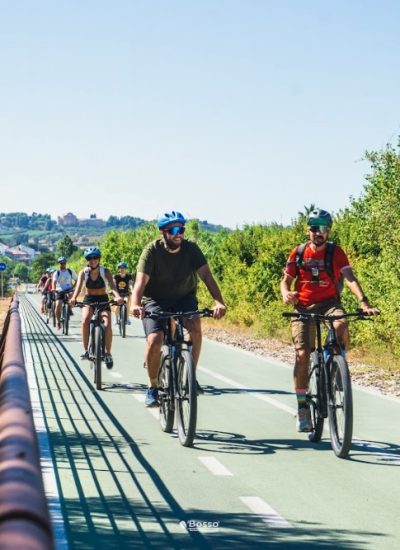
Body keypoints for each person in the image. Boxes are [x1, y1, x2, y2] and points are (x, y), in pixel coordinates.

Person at [280, 208, 380, 432]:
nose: (319, 232)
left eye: (323, 228)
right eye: (314, 228)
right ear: (308, 230)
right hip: (303, 307)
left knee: (341, 323)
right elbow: (285, 281)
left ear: (329, 231)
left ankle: (335, 362)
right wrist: (286, 293)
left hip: (329, 303)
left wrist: (363, 302)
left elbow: (350, 278)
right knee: (303, 354)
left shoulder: (336, 253)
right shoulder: (298, 252)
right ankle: (303, 407)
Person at [131, 210, 227, 407]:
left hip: (184, 297)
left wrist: (218, 301)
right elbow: (141, 281)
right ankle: (153, 387)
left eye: (181, 229)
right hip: (155, 299)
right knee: (155, 339)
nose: (178, 233)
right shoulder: (151, 251)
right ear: (162, 232)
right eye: (173, 229)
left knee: (195, 327)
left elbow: (207, 276)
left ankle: (190, 376)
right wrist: (135, 303)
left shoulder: (191, 249)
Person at [70, 247, 123, 369]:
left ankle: (108, 353)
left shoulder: (106, 272)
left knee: (108, 323)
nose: (93, 260)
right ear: (87, 260)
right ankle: (86, 350)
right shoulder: (84, 273)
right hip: (89, 300)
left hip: (103, 300)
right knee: (85, 321)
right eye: (90, 258)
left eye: (95, 257)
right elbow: (78, 287)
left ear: (99, 259)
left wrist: (118, 297)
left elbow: (113, 287)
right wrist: (74, 298)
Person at [52, 257, 78, 329]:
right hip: (60, 290)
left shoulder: (70, 271)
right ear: (59, 264)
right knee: (58, 305)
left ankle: (69, 308)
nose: (62, 264)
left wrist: (73, 287)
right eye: (61, 263)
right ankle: (58, 321)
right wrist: (54, 289)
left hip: (69, 289)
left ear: (66, 263)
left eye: (64, 263)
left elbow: (77, 279)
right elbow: (53, 282)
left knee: (72, 297)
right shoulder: (56, 273)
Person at [113, 262, 133, 326]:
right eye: (121, 268)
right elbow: (113, 284)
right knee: (117, 306)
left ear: (126, 269)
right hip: (118, 294)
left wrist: (132, 290)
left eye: (124, 268)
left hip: (126, 293)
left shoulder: (128, 276)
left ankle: (127, 318)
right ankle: (115, 319)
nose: (122, 269)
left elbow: (130, 284)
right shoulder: (116, 276)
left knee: (126, 303)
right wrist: (112, 291)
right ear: (119, 269)